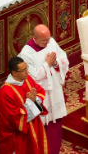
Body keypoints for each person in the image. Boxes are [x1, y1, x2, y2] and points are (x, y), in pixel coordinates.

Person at [18, 24, 69, 154]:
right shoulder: (26, 54)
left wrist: (56, 63)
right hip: (40, 94)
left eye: (49, 38)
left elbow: (63, 58)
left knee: (56, 121)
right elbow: (32, 76)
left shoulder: (50, 41)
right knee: (42, 125)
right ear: (35, 38)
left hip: (55, 90)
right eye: (44, 40)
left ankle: (54, 150)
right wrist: (47, 64)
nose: (48, 42)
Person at [0, 57, 49, 154]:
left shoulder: (27, 79)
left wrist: (34, 100)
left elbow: (40, 91)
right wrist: (31, 102)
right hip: (17, 134)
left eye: (27, 68)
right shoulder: (5, 92)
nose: (27, 72)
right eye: (24, 70)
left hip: (34, 124)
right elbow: (15, 118)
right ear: (14, 73)